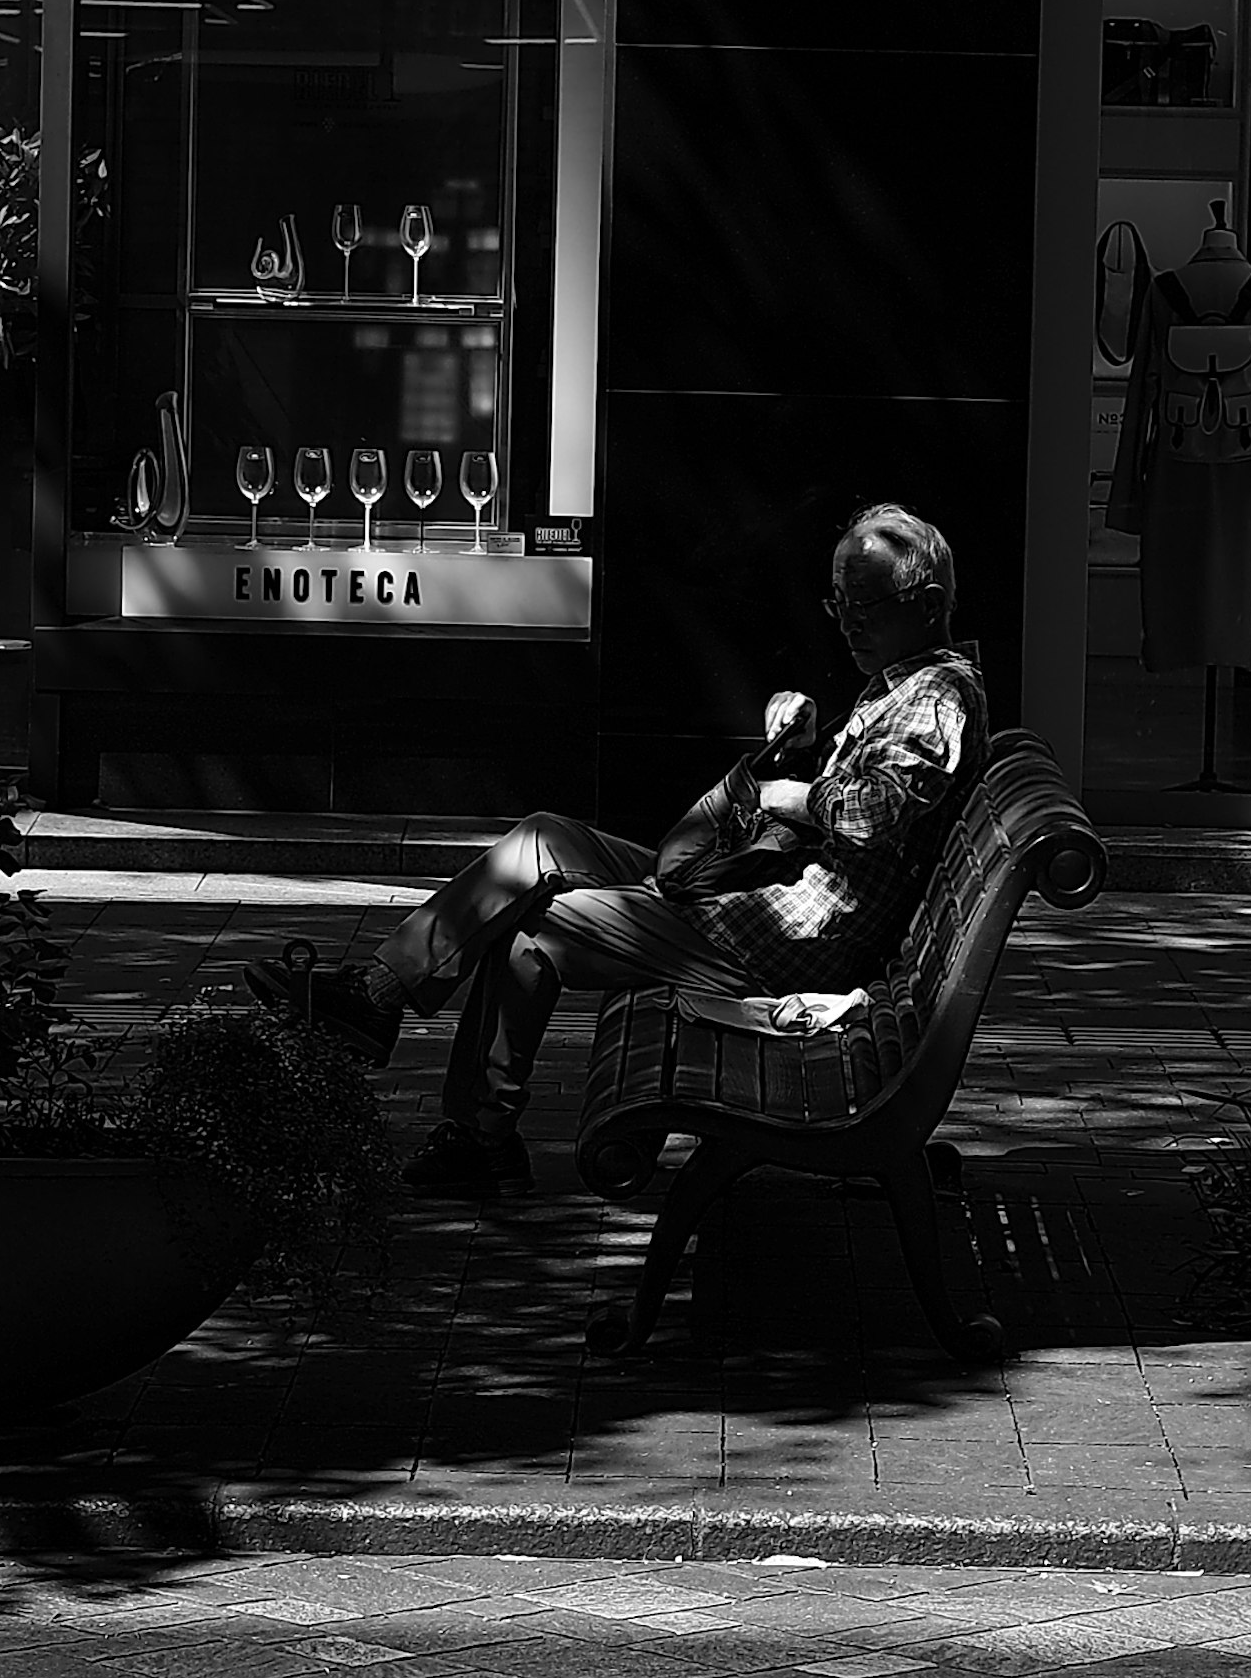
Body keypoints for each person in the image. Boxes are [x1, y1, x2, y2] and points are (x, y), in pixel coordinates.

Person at [341, 501, 989, 1196]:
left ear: (926, 604)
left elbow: (879, 811)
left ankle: (480, 1138)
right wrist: (803, 748)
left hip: (775, 937)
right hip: (749, 898)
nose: (852, 621)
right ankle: (379, 994)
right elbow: (874, 794)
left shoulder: (938, 694)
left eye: (868, 602)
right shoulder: (905, 683)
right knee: (540, 838)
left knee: (533, 929)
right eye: (840, 603)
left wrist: (789, 795)